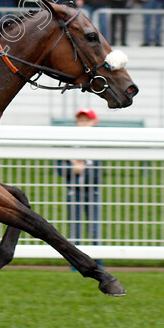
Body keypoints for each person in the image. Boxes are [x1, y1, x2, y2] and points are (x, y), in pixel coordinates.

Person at [57, 109, 102, 256]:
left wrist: (83, 165)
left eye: (87, 121)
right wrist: (73, 168)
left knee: (94, 228)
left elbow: (98, 169)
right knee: (75, 229)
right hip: (74, 192)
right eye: (81, 121)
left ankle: (97, 260)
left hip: (92, 192)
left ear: (95, 123)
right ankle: (76, 262)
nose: (83, 124)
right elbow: (60, 168)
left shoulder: (98, 143)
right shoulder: (70, 143)